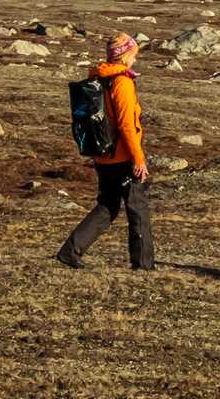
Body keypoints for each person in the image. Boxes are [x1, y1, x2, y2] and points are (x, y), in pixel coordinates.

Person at [57, 32, 155, 270]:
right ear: (126, 55)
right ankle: (143, 264)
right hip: (122, 157)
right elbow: (126, 126)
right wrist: (138, 159)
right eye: (133, 53)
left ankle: (70, 250)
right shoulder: (121, 82)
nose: (135, 58)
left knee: (107, 205)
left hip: (103, 155)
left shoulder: (100, 78)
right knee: (137, 208)